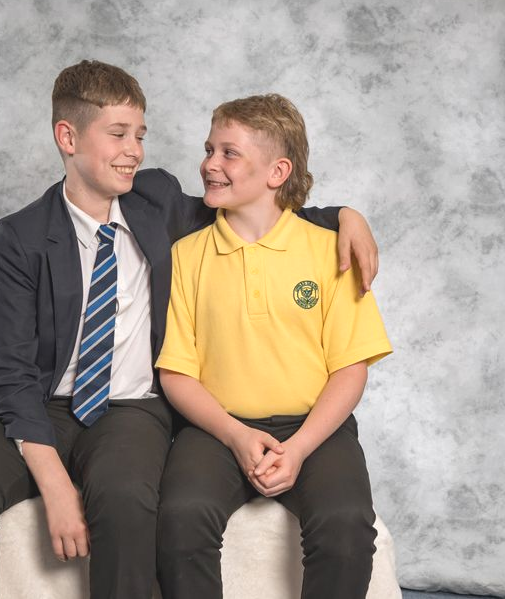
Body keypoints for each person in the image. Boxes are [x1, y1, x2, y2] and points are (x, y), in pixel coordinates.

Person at [0, 61, 380, 599]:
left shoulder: (156, 200)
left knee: (126, 499)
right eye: (118, 134)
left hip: (130, 407)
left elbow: (259, 207)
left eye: (139, 135)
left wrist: (346, 215)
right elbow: (12, 369)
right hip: (40, 402)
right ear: (67, 137)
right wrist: (55, 484)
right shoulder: (21, 237)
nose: (134, 151)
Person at [155, 93, 393, 599]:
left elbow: (350, 368)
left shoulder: (331, 251)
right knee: (180, 518)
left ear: (277, 171)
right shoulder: (186, 256)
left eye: (229, 153)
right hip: (215, 429)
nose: (210, 164)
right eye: (209, 149)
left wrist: (300, 447)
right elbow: (176, 372)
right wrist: (236, 435)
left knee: (347, 526)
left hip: (315, 428)